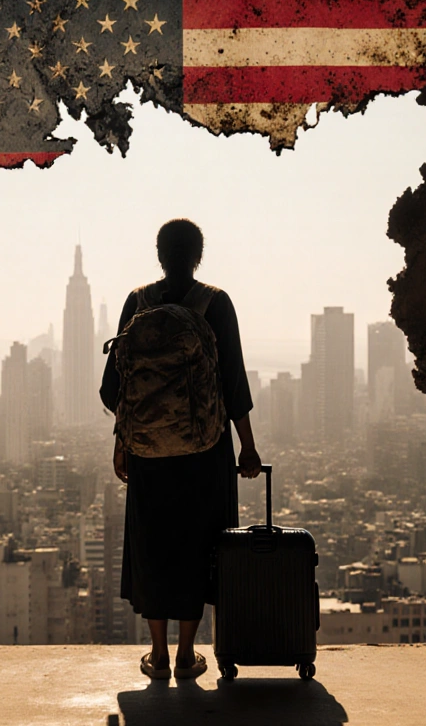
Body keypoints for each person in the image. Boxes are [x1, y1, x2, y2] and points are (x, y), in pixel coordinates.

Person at [100, 218, 264, 680]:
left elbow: (115, 385)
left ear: (159, 255)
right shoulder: (216, 303)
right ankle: (187, 654)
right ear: (198, 256)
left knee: (153, 546)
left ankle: (157, 654)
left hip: (147, 453)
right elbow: (234, 381)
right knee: (198, 547)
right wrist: (247, 448)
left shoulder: (137, 303)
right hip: (205, 451)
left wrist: (123, 441)